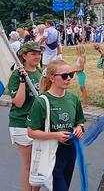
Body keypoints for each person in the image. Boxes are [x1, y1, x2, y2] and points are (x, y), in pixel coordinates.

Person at [27, 60, 85, 191]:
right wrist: (55, 135)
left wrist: (79, 128)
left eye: (71, 74)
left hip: (70, 150)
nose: (69, 78)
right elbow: (31, 132)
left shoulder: (73, 98)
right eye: (64, 75)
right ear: (52, 78)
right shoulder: (42, 101)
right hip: (52, 151)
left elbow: (80, 121)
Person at [8, 41, 42, 191]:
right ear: (24, 56)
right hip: (22, 124)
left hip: (39, 124)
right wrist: (23, 81)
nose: (37, 56)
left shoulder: (41, 73)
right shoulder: (16, 75)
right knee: (30, 163)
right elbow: (19, 102)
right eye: (33, 54)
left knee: (40, 165)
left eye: (39, 53)